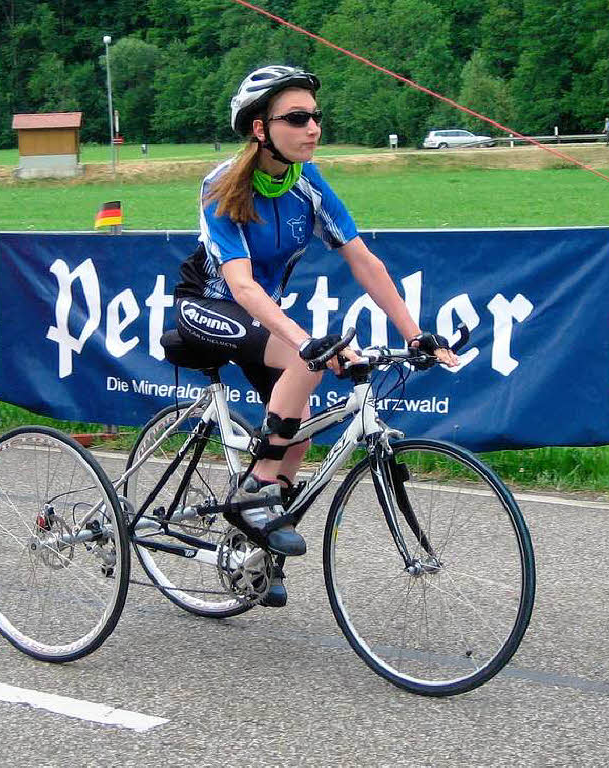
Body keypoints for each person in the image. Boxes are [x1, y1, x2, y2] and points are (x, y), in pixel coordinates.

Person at [171, 65, 458, 606]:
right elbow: (241, 283)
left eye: (316, 118)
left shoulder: (308, 182)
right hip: (209, 304)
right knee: (311, 358)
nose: (313, 128)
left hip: (261, 315)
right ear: (260, 128)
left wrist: (417, 334)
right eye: (297, 118)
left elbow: (363, 262)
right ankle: (254, 491)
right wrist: (305, 341)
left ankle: (259, 551)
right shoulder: (221, 186)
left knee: (299, 427)